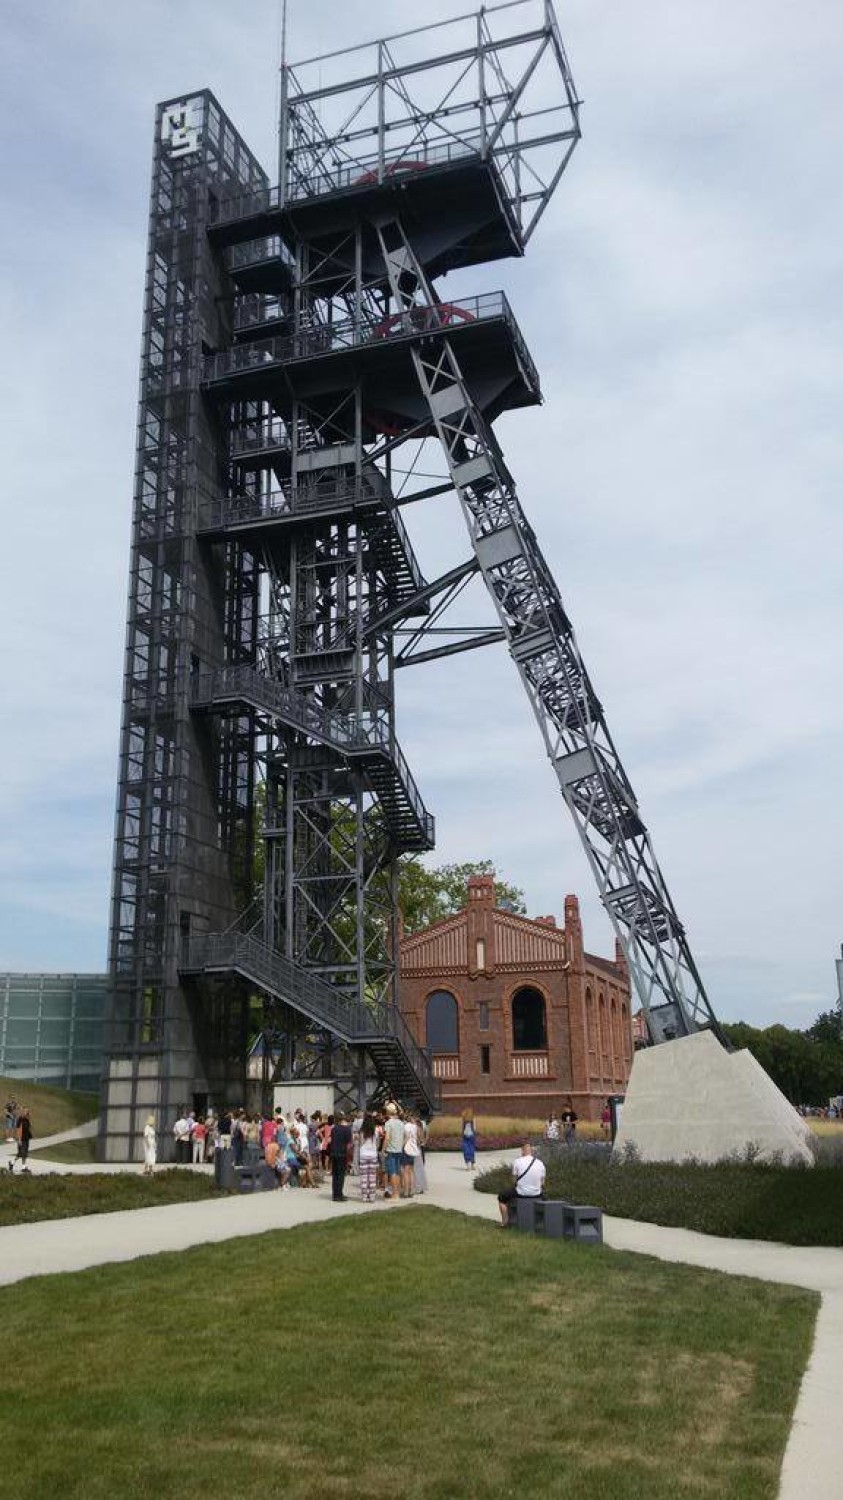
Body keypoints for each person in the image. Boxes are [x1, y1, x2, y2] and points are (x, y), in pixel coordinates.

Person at [497, 1140, 546, 1226]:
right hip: (537, 1193)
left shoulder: (517, 1161)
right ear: (532, 1151)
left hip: (521, 1192)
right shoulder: (540, 1163)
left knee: (501, 1198)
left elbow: (514, 1181)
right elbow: (542, 1183)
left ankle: (505, 1221)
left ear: (522, 1151)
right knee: (546, 1199)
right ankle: (541, 1222)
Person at [383, 1102, 405, 1200]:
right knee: (397, 1171)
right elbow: (405, 1136)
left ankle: (394, 1194)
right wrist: (401, 1145)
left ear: (388, 1112)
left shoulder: (388, 1123)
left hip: (391, 1150)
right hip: (399, 1150)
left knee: (392, 1172)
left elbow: (387, 1138)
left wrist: (383, 1149)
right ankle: (397, 1193)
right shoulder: (401, 1123)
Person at [330, 1111, 353, 1202]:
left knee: (335, 1174)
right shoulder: (346, 1129)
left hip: (334, 1152)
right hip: (342, 1153)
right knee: (341, 1175)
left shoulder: (334, 1129)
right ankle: (339, 1194)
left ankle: (335, 1193)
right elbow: (349, 1144)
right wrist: (350, 1153)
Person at [358, 1113, 380, 1204]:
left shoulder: (362, 1132)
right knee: (372, 1176)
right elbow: (377, 1144)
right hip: (373, 1154)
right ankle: (372, 1196)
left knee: (364, 1176)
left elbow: (361, 1143)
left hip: (363, 1154)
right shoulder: (376, 1131)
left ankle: (364, 1196)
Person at [401, 1114, 421, 1199]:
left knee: (405, 1171)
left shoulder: (405, 1127)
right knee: (411, 1171)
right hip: (413, 1149)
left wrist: (401, 1147)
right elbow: (418, 1138)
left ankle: (406, 1192)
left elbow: (405, 1138)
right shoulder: (415, 1127)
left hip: (406, 1149)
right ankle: (412, 1191)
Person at [8, 1108, 33, 1174]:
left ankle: (13, 1164)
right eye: (25, 1111)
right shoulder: (20, 1119)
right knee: (22, 1153)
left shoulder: (26, 1119)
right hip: (21, 1139)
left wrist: (28, 1118)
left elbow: (30, 1126)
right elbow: (18, 1130)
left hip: (26, 1139)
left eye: (27, 1112)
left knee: (22, 1154)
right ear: (22, 1112)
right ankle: (22, 1167)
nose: (27, 1113)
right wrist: (19, 1140)